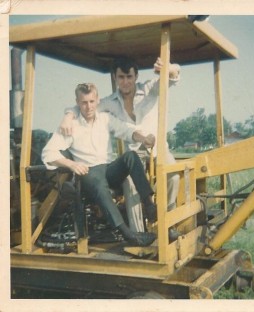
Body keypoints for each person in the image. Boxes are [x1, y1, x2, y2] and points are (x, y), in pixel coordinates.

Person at [60, 57, 180, 239]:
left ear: (136, 76)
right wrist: (68, 116)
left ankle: (167, 223)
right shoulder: (109, 102)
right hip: (132, 153)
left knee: (173, 174)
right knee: (129, 183)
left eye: (129, 77)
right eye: (121, 77)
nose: (125, 82)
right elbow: (85, 106)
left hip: (157, 147)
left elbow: (173, 76)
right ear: (115, 78)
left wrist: (169, 68)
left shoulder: (150, 89)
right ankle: (139, 234)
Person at [42, 83, 157, 247]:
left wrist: (143, 138)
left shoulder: (105, 119)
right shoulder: (70, 126)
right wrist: (71, 164)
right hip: (88, 173)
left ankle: (149, 204)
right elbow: (48, 153)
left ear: (97, 101)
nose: (88, 107)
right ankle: (128, 234)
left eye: (91, 101)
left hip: (108, 170)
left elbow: (126, 130)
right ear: (77, 102)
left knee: (130, 156)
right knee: (96, 181)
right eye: (83, 102)